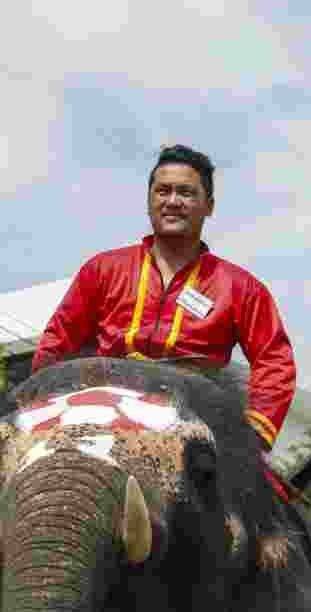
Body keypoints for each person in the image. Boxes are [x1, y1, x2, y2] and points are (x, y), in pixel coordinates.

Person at [32, 145, 296, 454]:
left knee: (266, 498)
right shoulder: (102, 269)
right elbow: (57, 341)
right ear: (149, 201)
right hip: (100, 407)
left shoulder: (242, 287)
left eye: (186, 192)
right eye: (163, 191)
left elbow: (274, 361)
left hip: (195, 419)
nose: (172, 201)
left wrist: (253, 433)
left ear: (209, 206)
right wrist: (41, 406)